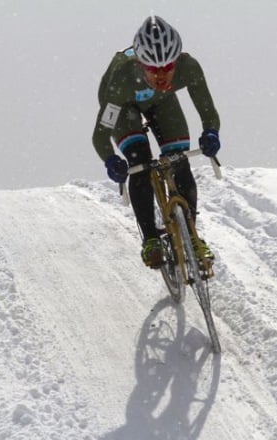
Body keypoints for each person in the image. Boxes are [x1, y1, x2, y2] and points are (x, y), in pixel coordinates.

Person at [92, 15, 221, 268]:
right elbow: (100, 133)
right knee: (140, 162)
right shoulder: (122, 78)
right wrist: (110, 159)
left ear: (177, 61)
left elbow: (208, 111)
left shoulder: (189, 67)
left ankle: (192, 236)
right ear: (141, 64)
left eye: (168, 67)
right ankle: (151, 239)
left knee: (179, 160)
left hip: (162, 102)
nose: (162, 75)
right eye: (153, 69)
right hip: (124, 106)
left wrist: (211, 133)